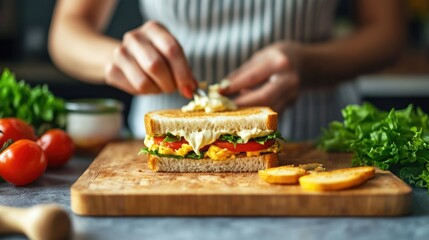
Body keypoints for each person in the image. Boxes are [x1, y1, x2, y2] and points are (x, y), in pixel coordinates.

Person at [48, 0, 405, 141]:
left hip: (318, 140)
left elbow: (389, 32)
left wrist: (309, 65)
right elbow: (67, 30)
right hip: (166, 136)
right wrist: (117, 57)